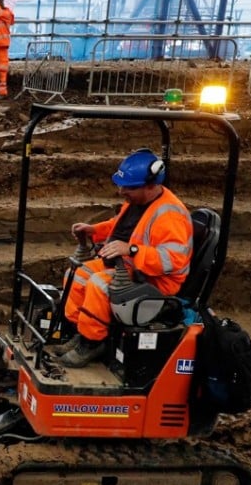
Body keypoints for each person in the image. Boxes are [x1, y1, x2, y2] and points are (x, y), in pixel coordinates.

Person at [57, 149, 193, 368]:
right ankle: (80, 333)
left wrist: (132, 250)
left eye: (128, 187)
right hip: (131, 267)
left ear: (151, 185)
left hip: (155, 282)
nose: (121, 191)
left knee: (99, 285)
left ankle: (93, 342)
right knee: (78, 274)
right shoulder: (139, 202)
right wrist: (94, 230)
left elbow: (173, 260)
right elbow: (120, 226)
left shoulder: (170, 215)